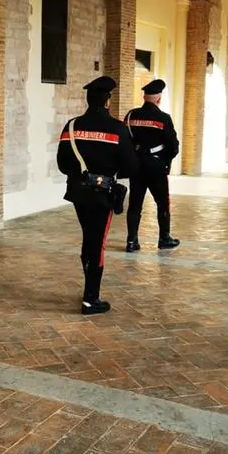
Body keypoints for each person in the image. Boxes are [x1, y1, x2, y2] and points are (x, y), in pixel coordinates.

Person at [57, 76, 138, 315]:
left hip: (79, 192)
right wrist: (110, 173)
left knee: (89, 238)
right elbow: (131, 167)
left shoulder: (71, 126)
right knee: (97, 243)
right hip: (103, 193)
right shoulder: (117, 128)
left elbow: (63, 163)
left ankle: (89, 288)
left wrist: (82, 174)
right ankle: (91, 299)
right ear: (107, 101)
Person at [122, 79, 181, 252]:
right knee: (162, 203)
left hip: (136, 166)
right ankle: (164, 238)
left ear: (144, 97)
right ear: (158, 99)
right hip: (156, 166)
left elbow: (125, 141)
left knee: (135, 204)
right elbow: (173, 147)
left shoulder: (131, 116)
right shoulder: (163, 118)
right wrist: (164, 162)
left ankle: (132, 241)